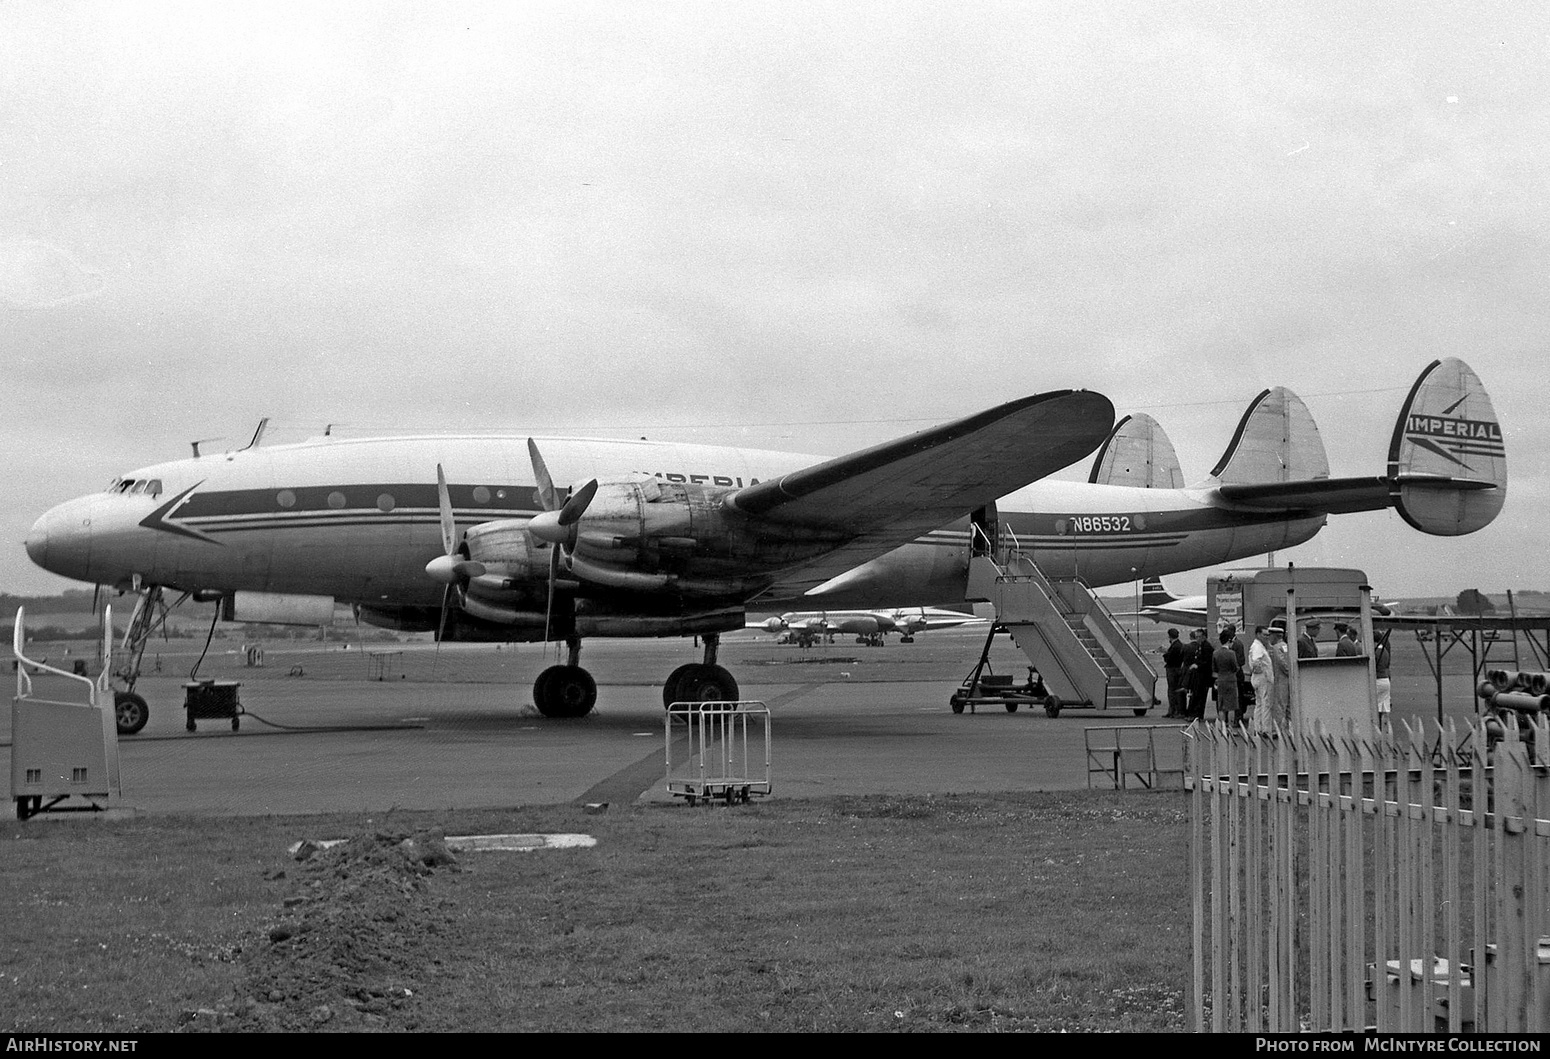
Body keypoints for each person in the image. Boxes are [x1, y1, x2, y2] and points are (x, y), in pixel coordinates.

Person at [1248, 625, 1275, 732]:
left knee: (1259, 704)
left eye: (1268, 635)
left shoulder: (1258, 646)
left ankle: (1258, 727)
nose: (1267, 637)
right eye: (1264, 635)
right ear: (1258, 634)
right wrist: (1260, 671)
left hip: (1258, 678)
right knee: (1266, 704)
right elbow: (1255, 661)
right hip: (1263, 678)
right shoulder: (1257, 647)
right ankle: (1266, 729)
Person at [1212, 627, 1241, 725]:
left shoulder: (1215, 653)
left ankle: (1222, 725)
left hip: (1221, 679)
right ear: (1229, 640)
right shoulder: (1231, 653)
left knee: (1221, 704)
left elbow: (1214, 668)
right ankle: (1230, 726)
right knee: (1232, 704)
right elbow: (1235, 667)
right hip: (1231, 680)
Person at [1186, 629, 1213, 720]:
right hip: (1199, 676)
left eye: (1199, 637)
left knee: (1199, 696)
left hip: (1203, 676)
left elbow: (1207, 661)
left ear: (1204, 637)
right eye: (1196, 637)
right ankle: (1195, 714)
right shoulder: (1200, 646)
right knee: (1197, 695)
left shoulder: (1206, 647)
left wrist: (1197, 665)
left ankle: (1196, 714)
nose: (1197, 639)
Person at [1269, 622, 1291, 728]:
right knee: (1288, 706)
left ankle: (1278, 729)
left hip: (1280, 680)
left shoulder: (1276, 648)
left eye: (1270, 635)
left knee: (1279, 705)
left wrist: (1287, 671)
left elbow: (1281, 662)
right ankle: (1289, 727)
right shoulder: (1285, 646)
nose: (1269, 638)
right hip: (1288, 680)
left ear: (1275, 636)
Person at [1162, 628, 1186, 717]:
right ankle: (1176, 709)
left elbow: (1169, 659)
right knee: (1177, 689)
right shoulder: (1180, 645)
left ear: (1169, 636)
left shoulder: (1175, 646)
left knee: (1172, 690)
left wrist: (1165, 653)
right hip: (1178, 668)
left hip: (1172, 669)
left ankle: (1174, 710)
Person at [1374, 632, 1392, 730]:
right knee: (1384, 707)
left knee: (1376, 707)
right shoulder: (1385, 651)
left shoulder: (1376, 652)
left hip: (1378, 680)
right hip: (1386, 679)